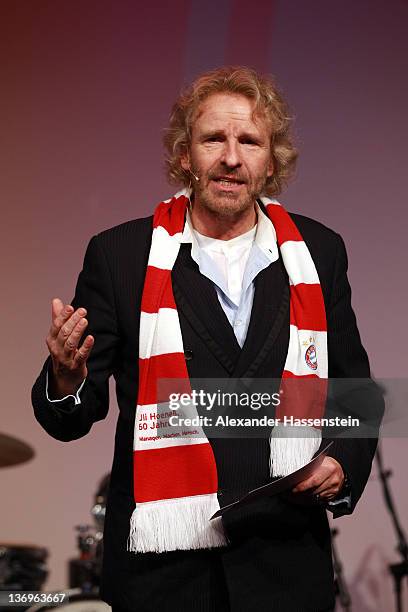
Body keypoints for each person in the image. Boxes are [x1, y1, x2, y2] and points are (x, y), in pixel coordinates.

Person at [32, 66, 383, 612]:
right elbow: (71, 418)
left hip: (285, 567)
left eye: (249, 141)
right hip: (165, 580)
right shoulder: (121, 255)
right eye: (213, 139)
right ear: (184, 154)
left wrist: (342, 460)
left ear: (272, 160)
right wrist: (66, 379)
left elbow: (355, 392)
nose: (231, 158)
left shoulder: (319, 252)